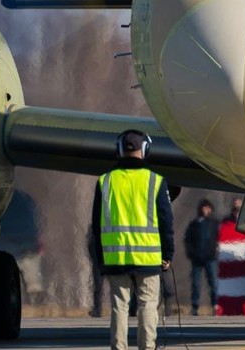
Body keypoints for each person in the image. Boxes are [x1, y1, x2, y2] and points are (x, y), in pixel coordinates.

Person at [91, 130, 173, 350]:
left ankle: (119, 347)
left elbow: (96, 226)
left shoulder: (105, 181)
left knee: (119, 307)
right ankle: (147, 347)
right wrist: (168, 254)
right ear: (146, 150)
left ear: (119, 150)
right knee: (148, 305)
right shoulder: (155, 181)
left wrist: (100, 259)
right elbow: (166, 221)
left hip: (116, 258)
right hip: (148, 258)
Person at [184, 198, 220, 316]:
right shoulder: (195, 223)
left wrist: (216, 251)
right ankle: (195, 307)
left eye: (208, 208)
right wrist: (191, 253)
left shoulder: (214, 223)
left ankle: (215, 305)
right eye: (204, 207)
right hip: (197, 259)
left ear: (211, 209)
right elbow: (187, 240)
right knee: (196, 284)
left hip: (211, 258)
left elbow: (219, 238)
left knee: (213, 283)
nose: (206, 210)